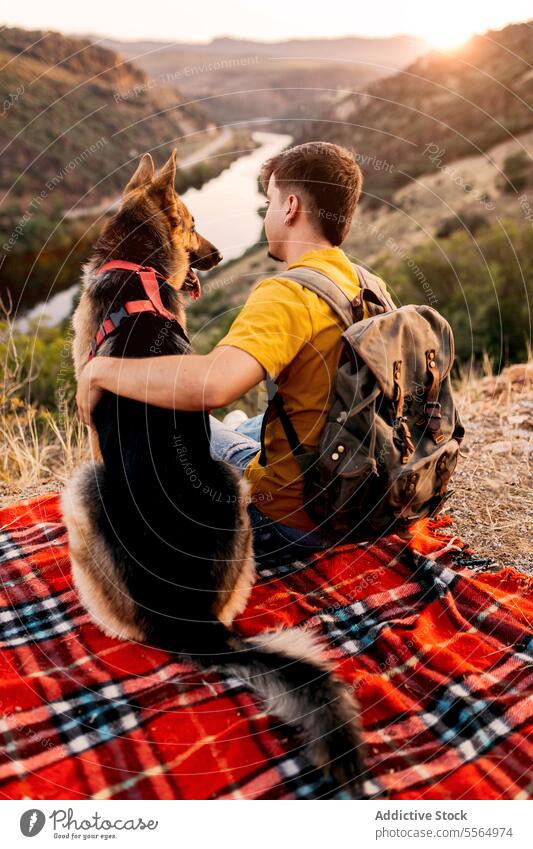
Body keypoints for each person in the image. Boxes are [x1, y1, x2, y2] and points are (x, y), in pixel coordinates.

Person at [77, 142, 392, 563]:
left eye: (270, 201)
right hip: (365, 498)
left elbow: (211, 386)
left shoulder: (287, 293)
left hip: (293, 521)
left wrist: (98, 372)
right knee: (246, 424)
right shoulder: (367, 282)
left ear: (291, 206)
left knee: (204, 428)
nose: (267, 213)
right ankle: (246, 430)